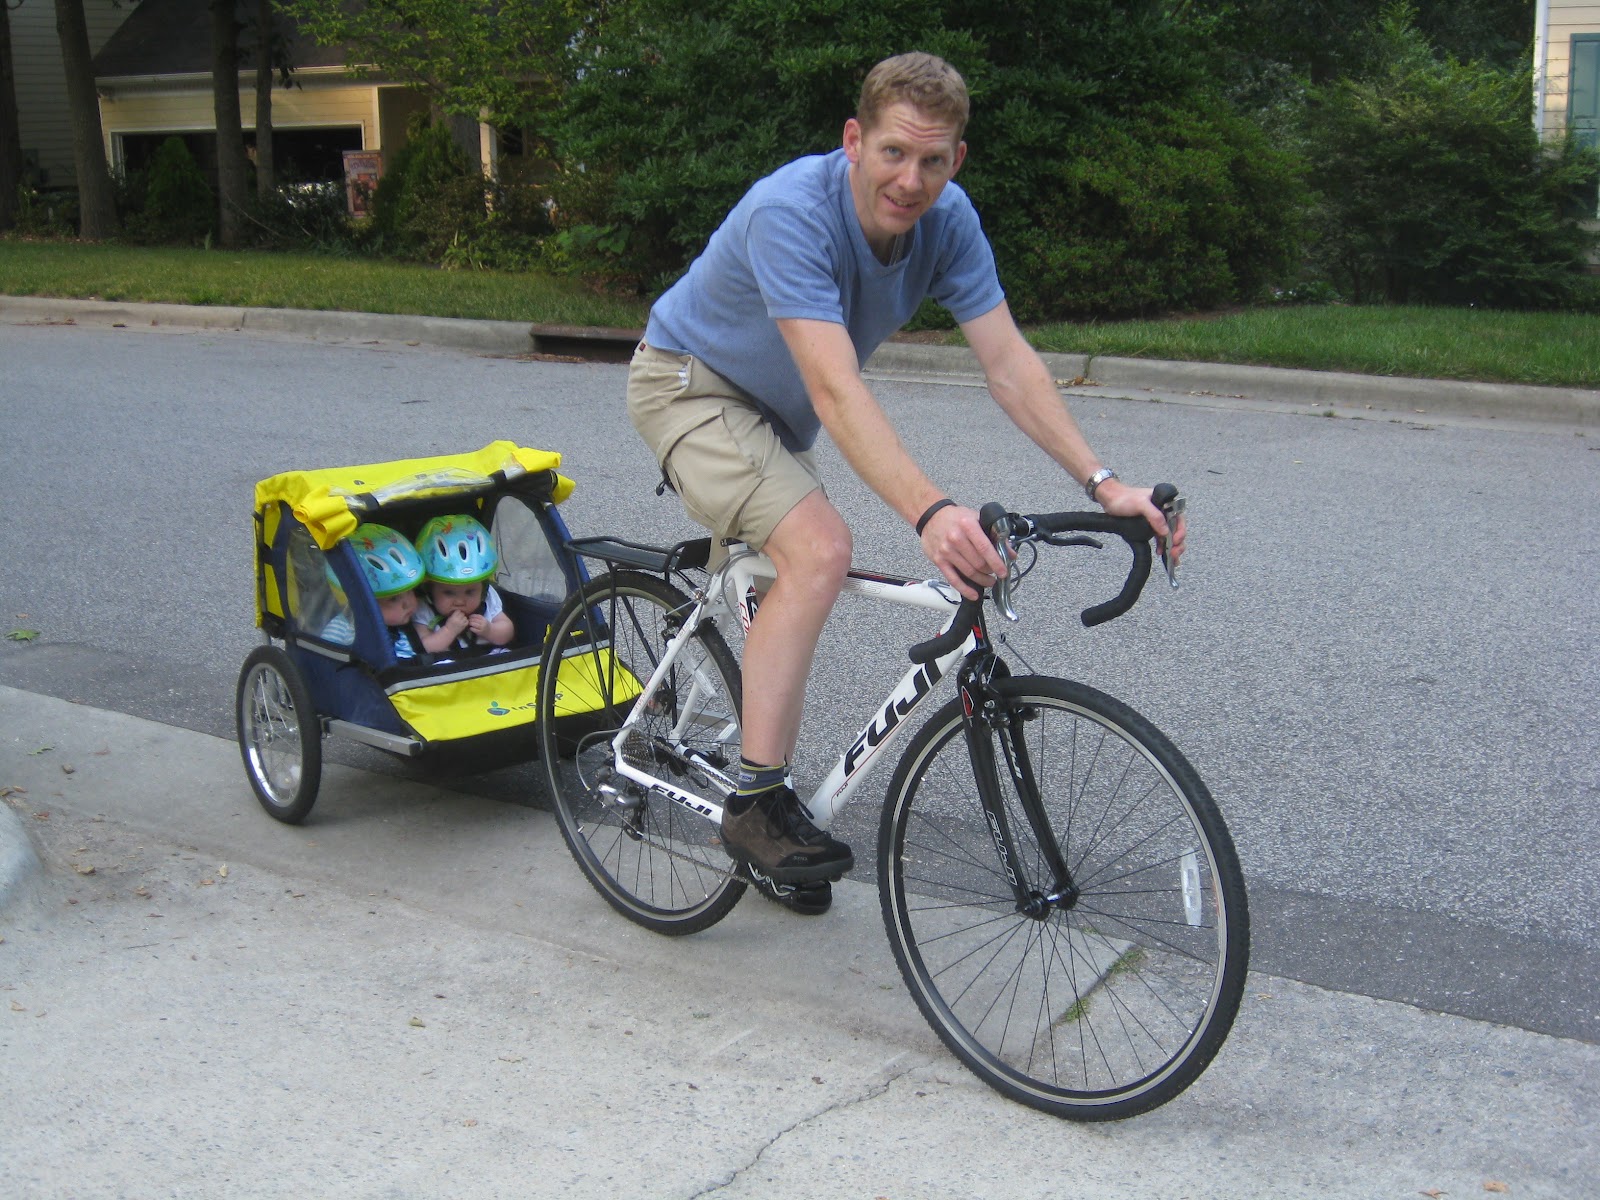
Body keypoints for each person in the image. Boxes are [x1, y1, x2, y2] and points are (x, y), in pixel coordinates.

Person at [627, 52, 1185, 916]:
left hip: (771, 415)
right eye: (893, 152)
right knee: (819, 550)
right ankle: (755, 806)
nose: (910, 179)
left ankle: (770, 830)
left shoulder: (948, 222)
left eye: (932, 160)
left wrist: (1105, 481)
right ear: (855, 141)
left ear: (956, 159)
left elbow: (1008, 364)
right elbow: (837, 389)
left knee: (792, 578)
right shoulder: (791, 213)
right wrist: (929, 511)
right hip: (690, 387)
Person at [412, 514, 515, 655]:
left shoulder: (487, 597)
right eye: (448, 592)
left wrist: (489, 630)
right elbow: (423, 647)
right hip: (447, 667)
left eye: (470, 592)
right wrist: (449, 631)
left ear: (483, 588)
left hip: (489, 659)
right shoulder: (424, 608)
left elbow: (507, 632)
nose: (460, 601)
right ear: (429, 589)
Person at [347, 523, 428, 660]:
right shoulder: (345, 629)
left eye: (409, 592)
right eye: (393, 599)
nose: (407, 604)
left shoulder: (411, 623)